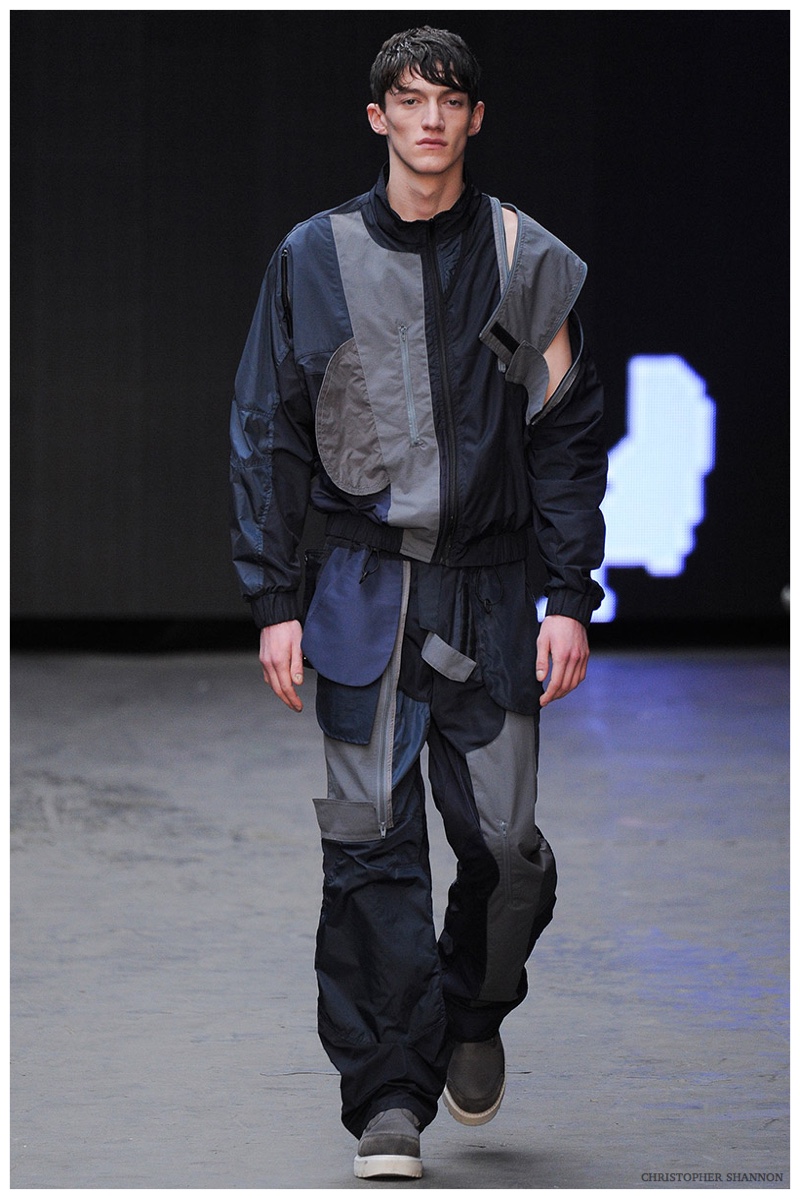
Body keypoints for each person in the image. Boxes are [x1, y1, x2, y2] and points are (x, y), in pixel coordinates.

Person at [230, 25, 606, 1181]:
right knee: (367, 846)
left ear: (474, 119)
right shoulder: (312, 257)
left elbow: (564, 438)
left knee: (507, 853)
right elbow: (268, 428)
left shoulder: (524, 257)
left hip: (491, 592)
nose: (429, 117)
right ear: (377, 117)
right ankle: (389, 1097)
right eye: (408, 97)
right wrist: (273, 596)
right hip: (359, 588)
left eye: (448, 98)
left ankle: (472, 1006)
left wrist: (568, 592)